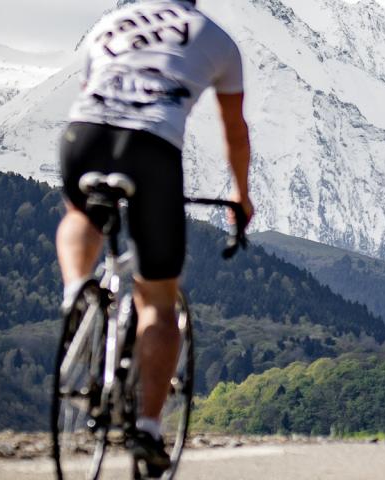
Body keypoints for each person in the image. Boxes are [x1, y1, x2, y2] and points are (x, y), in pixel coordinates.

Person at [55, 0, 250, 473]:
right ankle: (146, 426)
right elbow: (234, 131)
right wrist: (241, 197)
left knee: (82, 210)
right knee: (159, 302)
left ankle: (77, 292)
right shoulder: (217, 39)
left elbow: (89, 87)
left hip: (82, 135)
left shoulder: (109, 22)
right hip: (151, 149)